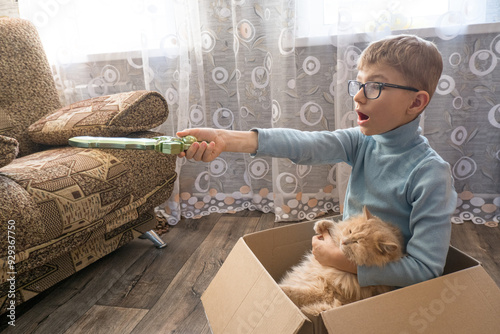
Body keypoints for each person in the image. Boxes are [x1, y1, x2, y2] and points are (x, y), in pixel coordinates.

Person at [176, 34, 458, 288]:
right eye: (359, 85)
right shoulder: (362, 141)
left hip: (382, 287)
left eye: (374, 87)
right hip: (341, 266)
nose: (358, 97)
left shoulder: (430, 174)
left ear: (416, 103)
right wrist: (224, 139)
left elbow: (425, 269)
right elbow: (305, 143)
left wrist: (339, 261)